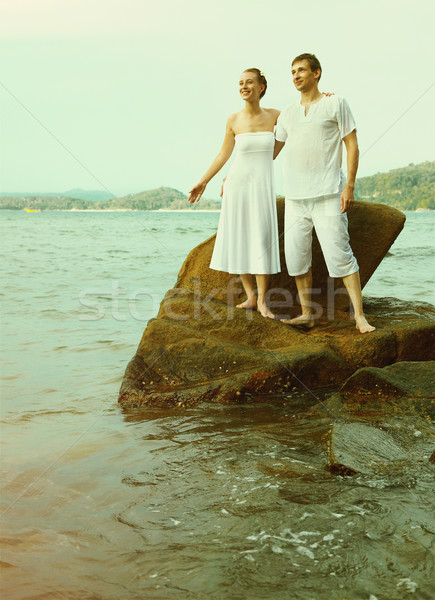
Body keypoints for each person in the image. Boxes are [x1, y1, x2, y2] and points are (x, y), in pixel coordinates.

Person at [273, 53, 375, 334]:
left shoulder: (335, 103)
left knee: (341, 255)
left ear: (317, 73)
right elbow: (271, 150)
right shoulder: (287, 113)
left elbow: (351, 145)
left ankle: (359, 317)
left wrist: (349, 185)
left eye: (302, 70)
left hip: (328, 194)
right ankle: (308, 314)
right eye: (292, 71)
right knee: (296, 258)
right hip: (295, 198)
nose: (296, 75)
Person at [188, 68, 280, 319]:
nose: (244, 86)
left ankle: (263, 301)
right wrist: (204, 181)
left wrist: (325, 97)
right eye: (240, 83)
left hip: (261, 185)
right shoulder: (233, 120)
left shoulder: (276, 116)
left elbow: (286, 139)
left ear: (261, 87)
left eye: (249, 82)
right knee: (240, 238)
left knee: (261, 238)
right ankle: (251, 296)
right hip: (237, 184)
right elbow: (224, 154)